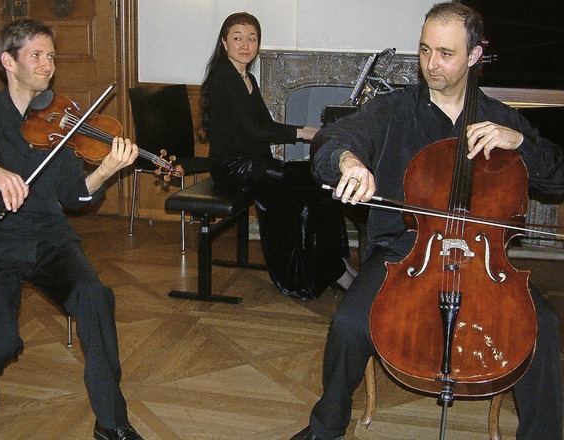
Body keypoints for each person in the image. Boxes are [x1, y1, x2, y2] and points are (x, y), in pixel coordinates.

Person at [291, 3, 564, 440]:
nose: (431, 64)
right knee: (348, 325)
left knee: (542, 327)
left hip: (484, 260)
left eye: (445, 53)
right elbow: (332, 139)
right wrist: (347, 162)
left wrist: (521, 145)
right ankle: (326, 427)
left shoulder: (500, 116)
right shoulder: (394, 109)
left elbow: (558, 174)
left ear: (474, 56)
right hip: (404, 253)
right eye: (424, 51)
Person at [0, 19, 144, 440]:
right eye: (37, 56)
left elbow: (72, 196)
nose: (48, 65)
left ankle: (111, 422)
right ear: (9, 61)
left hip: (48, 239)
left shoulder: (63, 120)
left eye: (51, 56)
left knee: (95, 297)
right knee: (3, 342)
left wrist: (104, 172)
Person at [201, 12, 356, 301]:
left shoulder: (245, 78)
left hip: (254, 164)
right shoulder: (223, 79)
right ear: (224, 43)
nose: (245, 45)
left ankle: (334, 265)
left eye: (252, 38)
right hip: (234, 170)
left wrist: (309, 131)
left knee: (319, 183)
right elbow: (254, 132)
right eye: (237, 38)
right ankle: (325, 272)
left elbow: (266, 126)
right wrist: (302, 133)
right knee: (309, 187)